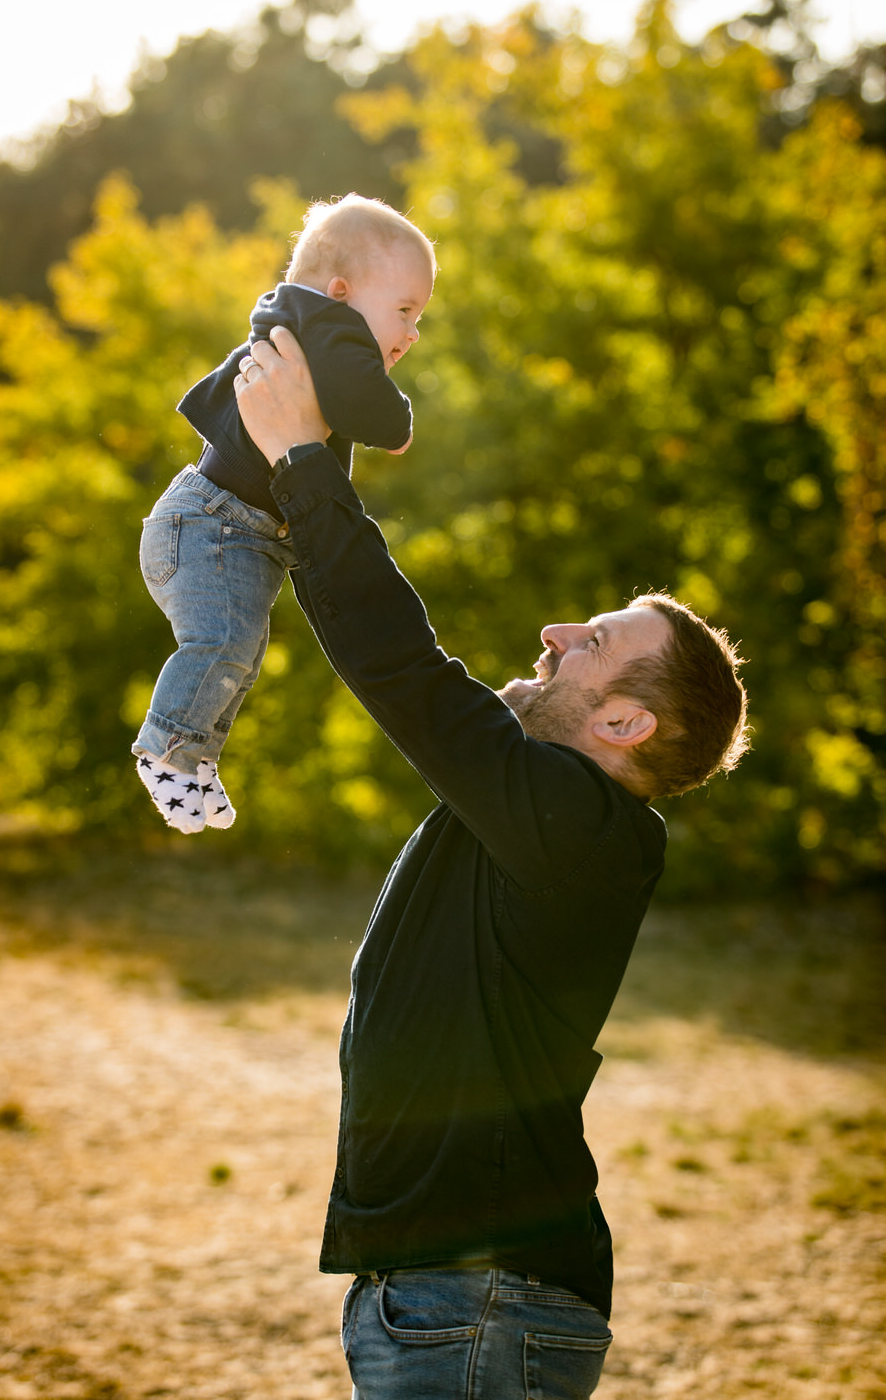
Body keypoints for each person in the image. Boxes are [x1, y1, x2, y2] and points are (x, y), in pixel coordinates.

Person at [232, 327, 749, 1400]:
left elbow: (404, 669)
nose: (558, 631)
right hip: (456, 1303)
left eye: (596, 642)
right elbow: (405, 664)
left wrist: (301, 460)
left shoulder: (579, 825)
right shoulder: (536, 816)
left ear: (622, 724)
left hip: (479, 1306)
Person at [133, 195, 436, 832]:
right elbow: (378, 414)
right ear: (342, 291)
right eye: (405, 311)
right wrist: (401, 426)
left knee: (242, 648)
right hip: (216, 525)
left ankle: (199, 755)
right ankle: (167, 751)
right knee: (224, 642)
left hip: (220, 528)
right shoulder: (329, 326)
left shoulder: (302, 320)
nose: (412, 334)